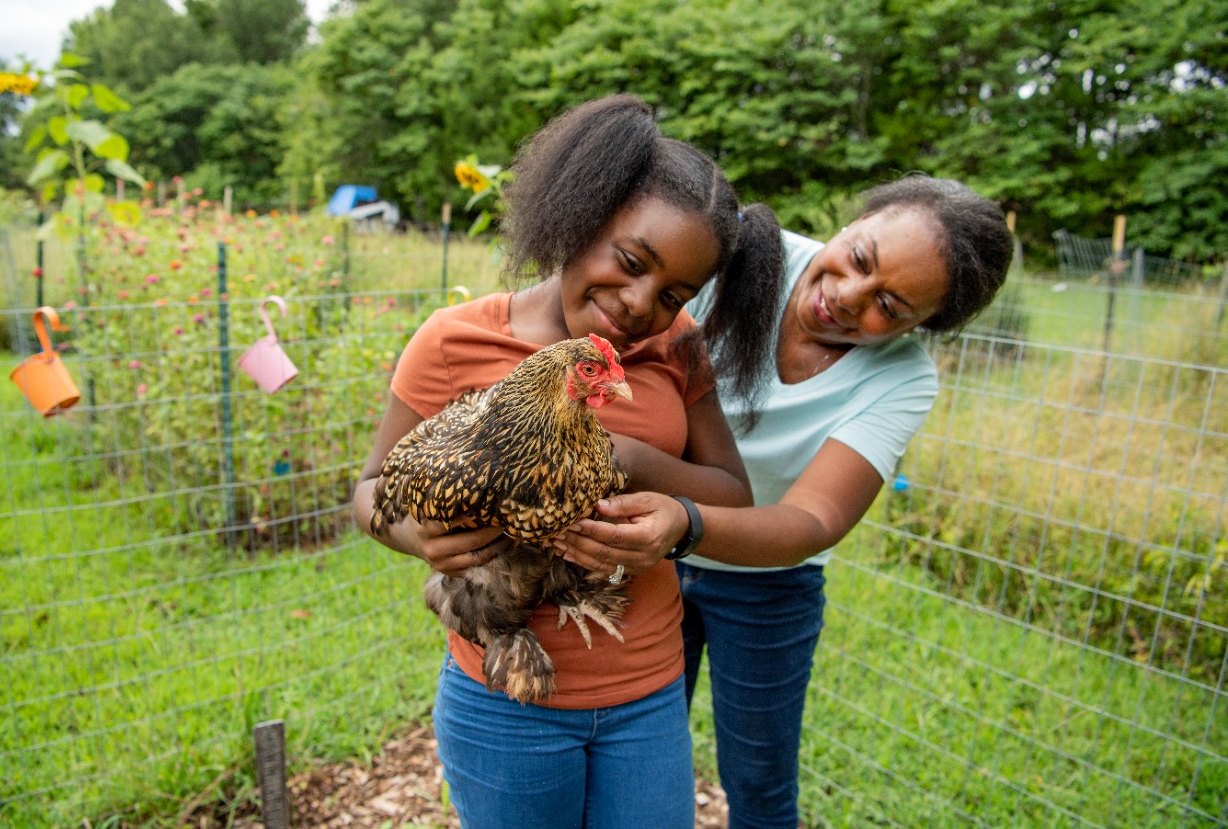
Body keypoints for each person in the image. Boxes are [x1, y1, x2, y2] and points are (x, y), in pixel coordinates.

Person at [351, 93, 784, 829]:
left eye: (674, 294)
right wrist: (416, 536)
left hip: (647, 691)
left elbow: (731, 494)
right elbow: (369, 489)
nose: (640, 303)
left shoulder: (677, 346)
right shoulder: (453, 339)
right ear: (581, 215)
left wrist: (640, 474)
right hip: (504, 702)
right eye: (631, 261)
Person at [554, 174, 1014, 829]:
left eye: (890, 305)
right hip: (640, 561)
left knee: (760, 780)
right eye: (859, 257)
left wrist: (684, 523)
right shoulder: (739, 260)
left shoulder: (902, 378)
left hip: (767, 586)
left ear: (923, 326)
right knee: (630, 751)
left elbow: (814, 519)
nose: (847, 297)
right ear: (852, 224)